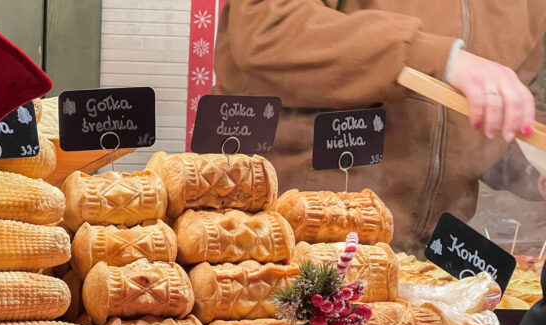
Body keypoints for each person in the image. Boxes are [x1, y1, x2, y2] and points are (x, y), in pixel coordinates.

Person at [213, 0, 546, 254]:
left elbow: (508, 97)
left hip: (425, 258)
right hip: (283, 236)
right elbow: (267, 28)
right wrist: (436, 58)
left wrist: (534, 165)